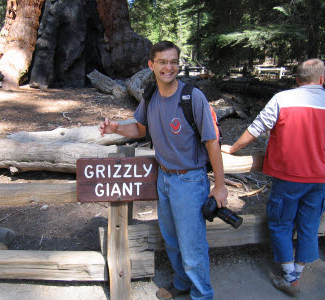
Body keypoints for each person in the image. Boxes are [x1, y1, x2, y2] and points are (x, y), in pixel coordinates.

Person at [99, 41, 228, 300]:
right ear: (151, 65)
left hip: (190, 180)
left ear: (178, 65)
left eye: (173, 62)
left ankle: (202, 295)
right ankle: (182, 283)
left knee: (192, 247)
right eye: (162, 62)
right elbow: (140, 129)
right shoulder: (151, 95)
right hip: (165, 177)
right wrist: (116, 129)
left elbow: (211, 141)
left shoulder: (192, 97)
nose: (169, 67)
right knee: (171, 239)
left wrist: (220, 185)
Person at [221, 59, 325, 296]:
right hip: (320, 178)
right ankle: (298, 271)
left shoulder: (283, 99)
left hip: (288, 177)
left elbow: (256, 129)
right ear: (321, 79)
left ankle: (290, 277)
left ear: (297, 80)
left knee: (280, 223)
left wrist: (233, 148)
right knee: (309, 224)